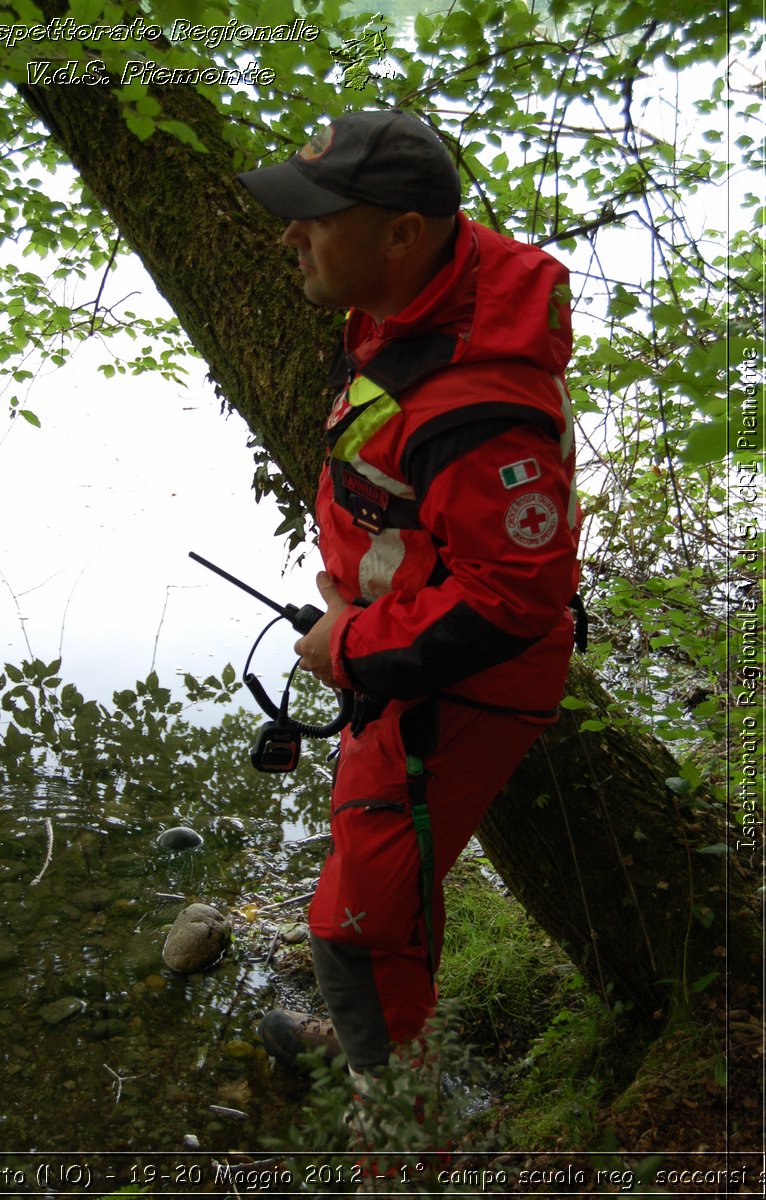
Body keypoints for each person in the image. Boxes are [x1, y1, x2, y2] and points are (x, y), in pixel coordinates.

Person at [237, 108, 582, 1090]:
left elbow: (514, 598)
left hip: (456, 681)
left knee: (360, 924)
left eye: (316, 217)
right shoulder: (409, 295)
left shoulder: (479, 400)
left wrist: (349, 646)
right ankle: (372, 1046)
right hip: (402, 638)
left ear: (401, 232)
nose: (288, 234)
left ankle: (401, 1133)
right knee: (368, 882)